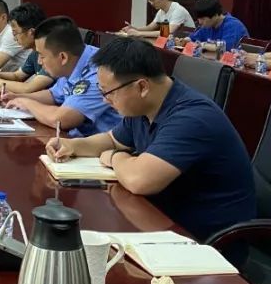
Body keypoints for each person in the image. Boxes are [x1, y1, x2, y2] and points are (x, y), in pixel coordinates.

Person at [46, 38, 256, 241]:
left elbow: (139, 180)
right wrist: (73, 145)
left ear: (142, 87)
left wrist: (114, 157)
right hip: (162, 221)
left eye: (108, 92)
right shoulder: (143, 106)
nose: (105, 100)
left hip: (205, 242)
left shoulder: (192, 118)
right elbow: (111, 140)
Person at [5, 16, 121, 137]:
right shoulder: (75, 60)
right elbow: (53, 95)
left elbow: (60, 120)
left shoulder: (98, 74)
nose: (39, 61)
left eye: (42, 56)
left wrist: (27, 103)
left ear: (63, 57)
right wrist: (16, 97)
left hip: (103, 145)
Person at [0, 2, 54, 95]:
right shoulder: (34, 53)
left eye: (15, 33)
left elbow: (27, 88)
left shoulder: (51, 54)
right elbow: (17, 76)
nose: (15, 39)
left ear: (31, 32)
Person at [122, 0, 195, 38]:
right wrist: (135, 29)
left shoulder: (178, 10)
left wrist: (139, 33)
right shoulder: (161, 11)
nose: (151, 3)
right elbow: (150, 27)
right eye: (150, 0)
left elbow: (167, 32)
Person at [176, 0, 250, 52]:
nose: (200, 22)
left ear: (215, 15)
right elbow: (193, 38)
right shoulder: (207, 25)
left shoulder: (233, 25)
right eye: (198, 19)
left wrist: (202, 45)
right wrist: (184, 41)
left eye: (203, 19)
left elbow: (224, 49)